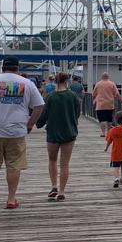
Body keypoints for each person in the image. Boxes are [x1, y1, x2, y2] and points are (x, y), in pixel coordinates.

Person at [0, 55, 45, 210]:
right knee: (14, 165)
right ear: (18, 68)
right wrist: (30, 125)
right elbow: (39, 106)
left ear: (3, 67)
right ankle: (11, 199)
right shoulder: (27, 83)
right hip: (16, 130)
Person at [35, 72, 80, 201]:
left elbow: (43, 116)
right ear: (67, 81)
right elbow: (77, 113)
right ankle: (61, 191)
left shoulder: (50, 97)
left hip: (53, 133)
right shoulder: (73, 96)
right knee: (65, 164)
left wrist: (37, 124)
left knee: (52, 160)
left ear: (55, 82)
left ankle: (54, 186)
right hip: (69, 133)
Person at [105, 109, 122, 188]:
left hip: (116, 153)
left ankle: (116, 178)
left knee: (116, 167)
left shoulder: (112, 130)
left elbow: (109, 141)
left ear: (115, 120)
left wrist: (106, 148)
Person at [93, 71, 120, 138]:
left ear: (102, 77)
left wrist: (94, 99)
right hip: (110, 104)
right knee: (109, 119)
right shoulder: (112, 84)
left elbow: (94, 94)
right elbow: (116, 93)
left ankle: (103, 133)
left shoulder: (98, 84)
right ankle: (109, 132)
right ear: (108, 77)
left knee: (102, 119)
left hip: (100, 105)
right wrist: (121, 101)